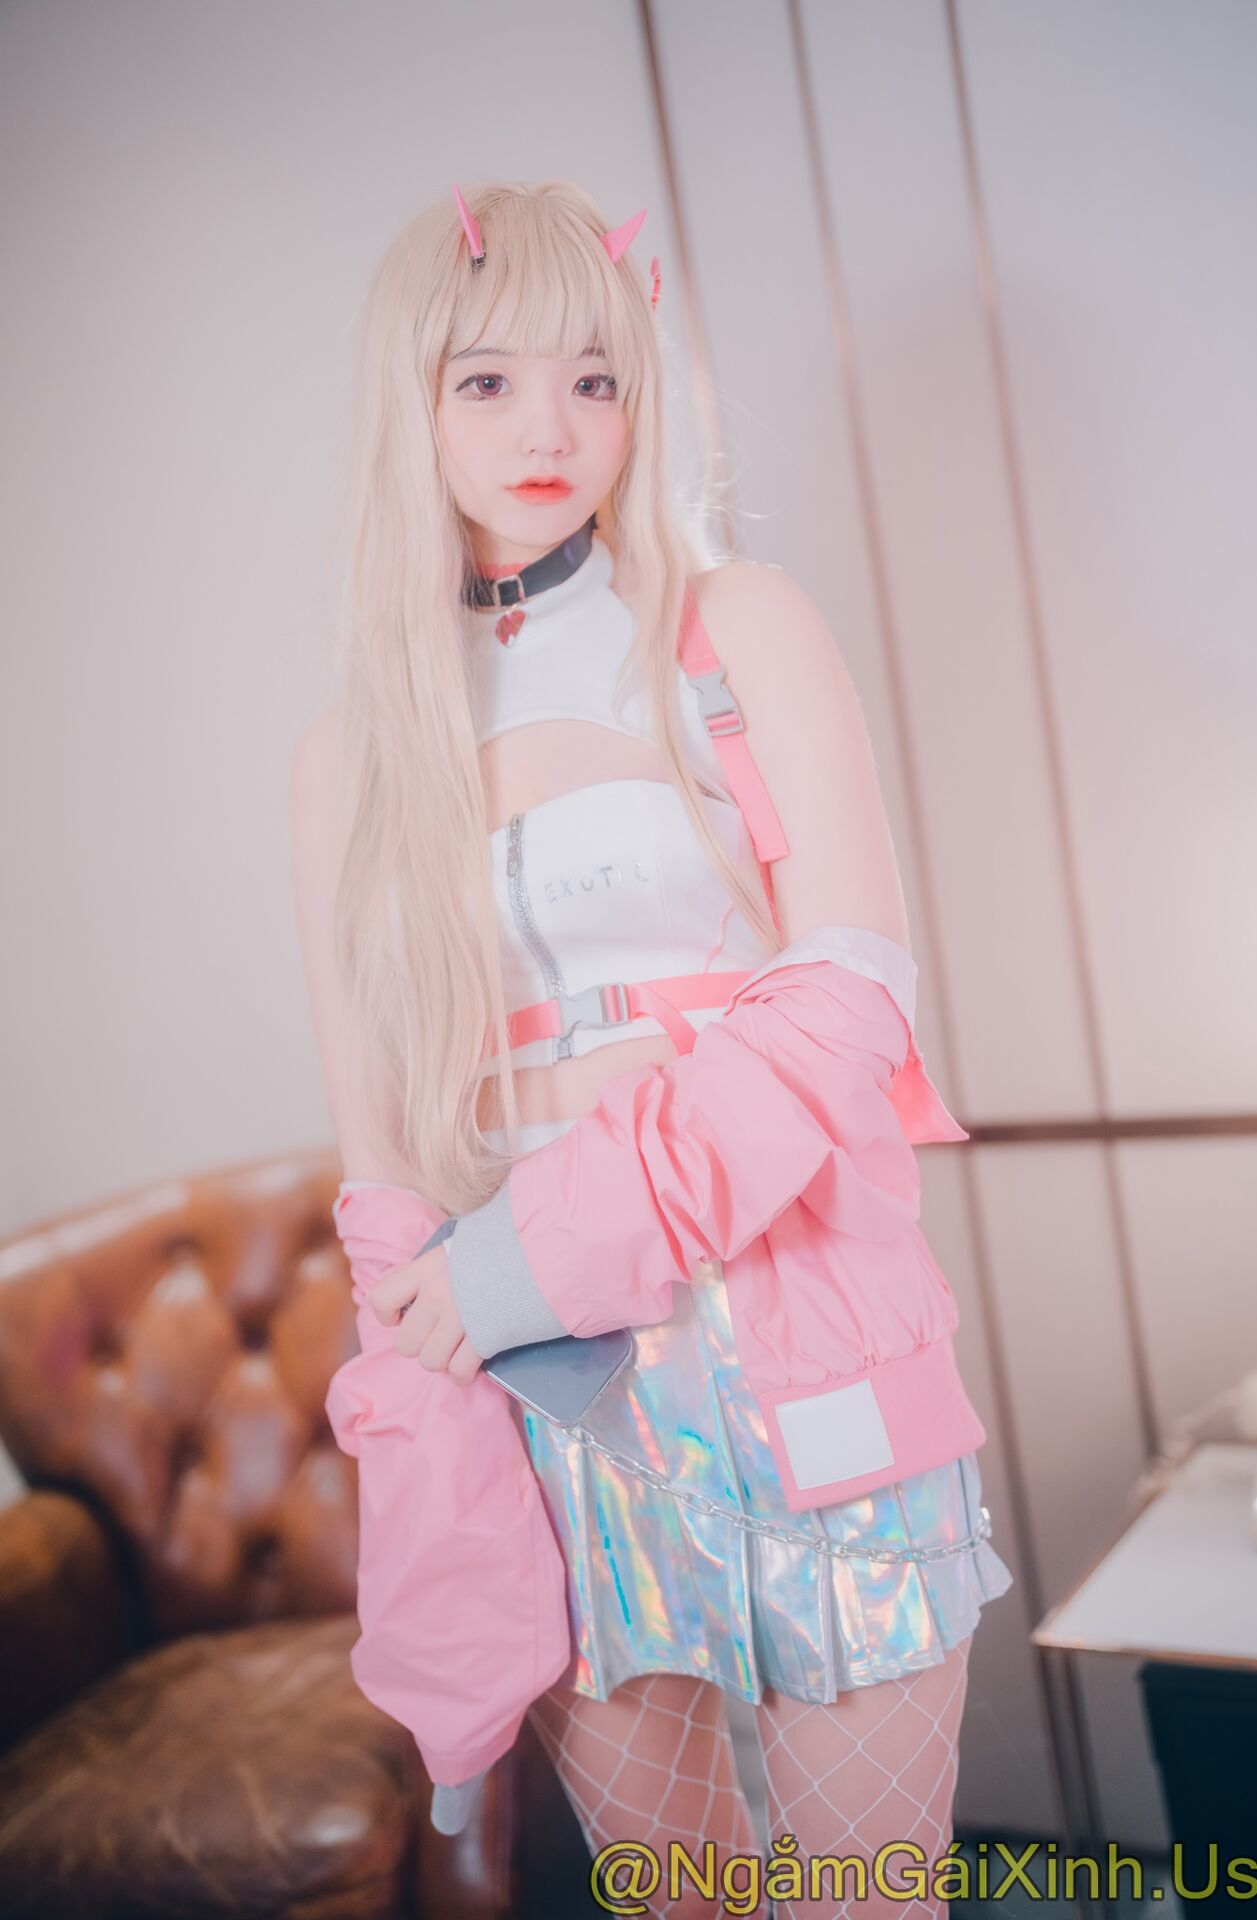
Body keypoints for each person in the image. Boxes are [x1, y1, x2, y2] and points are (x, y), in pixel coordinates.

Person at [292, 178, 1013, 1918]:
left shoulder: (735, 629)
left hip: (807, 1340)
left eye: (595, 379)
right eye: (487, 382)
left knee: (865, 1904)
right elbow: (385, 1170)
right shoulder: (352, 753)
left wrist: (536, 1249)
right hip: (557, 1412)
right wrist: (434, 1487)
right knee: (679, 1902)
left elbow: (844, 999)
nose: (550, 429)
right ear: (409, 401)